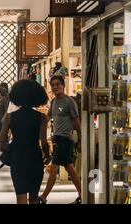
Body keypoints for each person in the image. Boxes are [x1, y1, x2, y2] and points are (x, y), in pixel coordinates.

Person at [0, 80, 51, 204]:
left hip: (18, 160)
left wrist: (13, 149)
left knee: (20, 198)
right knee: (33, 198)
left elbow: (1, 144)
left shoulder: (11, 117)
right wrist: (47, 156)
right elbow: (44, 143)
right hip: (35, 159)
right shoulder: (41, 117)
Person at [37, 75, 82, 204]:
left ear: (63, 85)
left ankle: (44, 197)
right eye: (53, 85)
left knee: (54, 166)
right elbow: (48, 117)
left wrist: (80, 140)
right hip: (57, 139)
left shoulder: (69, 102)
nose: (56, 87)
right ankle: (82, 195)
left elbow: (76, 122)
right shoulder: (54, 101)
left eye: (58, 84)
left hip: (65, 139)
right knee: (69, 168)